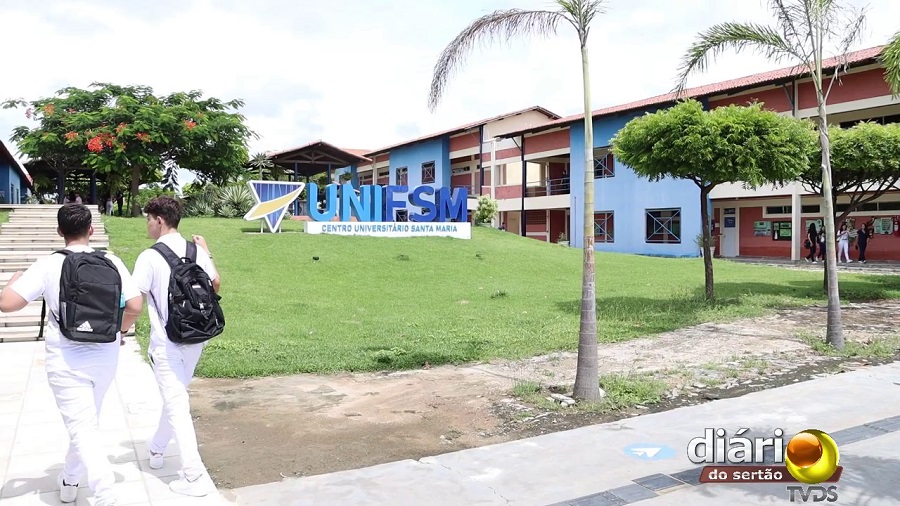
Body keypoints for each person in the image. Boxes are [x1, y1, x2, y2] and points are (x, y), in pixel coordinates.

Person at [0, 203, 143, 506]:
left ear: (59, 231)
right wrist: (121, 331)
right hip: (105, 356)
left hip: (66, 357)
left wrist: (11, 283)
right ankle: (70, 480)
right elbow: (134, 306)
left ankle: (107, 496)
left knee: (83, 427)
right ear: (91, 230)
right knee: (86, 425)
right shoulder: (112, 260)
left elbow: (7, 304)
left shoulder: (47, 264)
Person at [131, 196, 220, 497]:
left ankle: (193, 476)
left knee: (177, 403)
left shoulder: (149, 256)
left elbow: (135, 301)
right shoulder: (196, 250)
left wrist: (120, 330)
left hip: (167, 342)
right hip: (197, 337)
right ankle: (157, 449)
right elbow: (216, 283)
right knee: (176, 397)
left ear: (159, 220)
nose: (147, 225)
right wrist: (208, 253)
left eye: (148, 219)